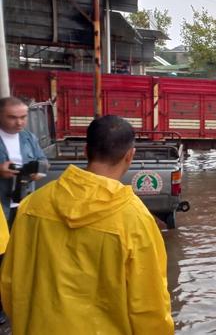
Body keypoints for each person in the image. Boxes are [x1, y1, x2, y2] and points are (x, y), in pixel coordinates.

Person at [0, 115, 174, 335]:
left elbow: (10, 282)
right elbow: (150, 307)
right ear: (130, 155)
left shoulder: (33, 205)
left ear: (85, 150)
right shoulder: (135, 220)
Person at [0, 97, 47, 225]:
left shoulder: (29, 137)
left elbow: (43, 160)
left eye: (23, 117)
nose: (19, 122)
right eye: (12, 117)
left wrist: (40, 172)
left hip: (24, 204)